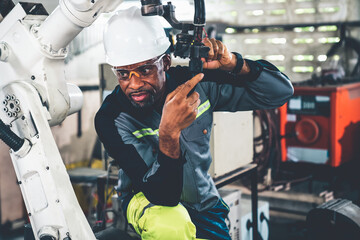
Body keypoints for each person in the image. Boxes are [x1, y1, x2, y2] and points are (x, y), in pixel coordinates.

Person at [95, 6, 293, 240]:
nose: (134, 84)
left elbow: (279, 93)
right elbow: (162, 195)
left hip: (202, 202)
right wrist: (168, 133)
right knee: (172, 225)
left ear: (165, 62)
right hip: (148, 201)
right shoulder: (112, 118)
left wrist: (235, 65)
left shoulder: (197, 83)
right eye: (123, 74)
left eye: (145, 70)